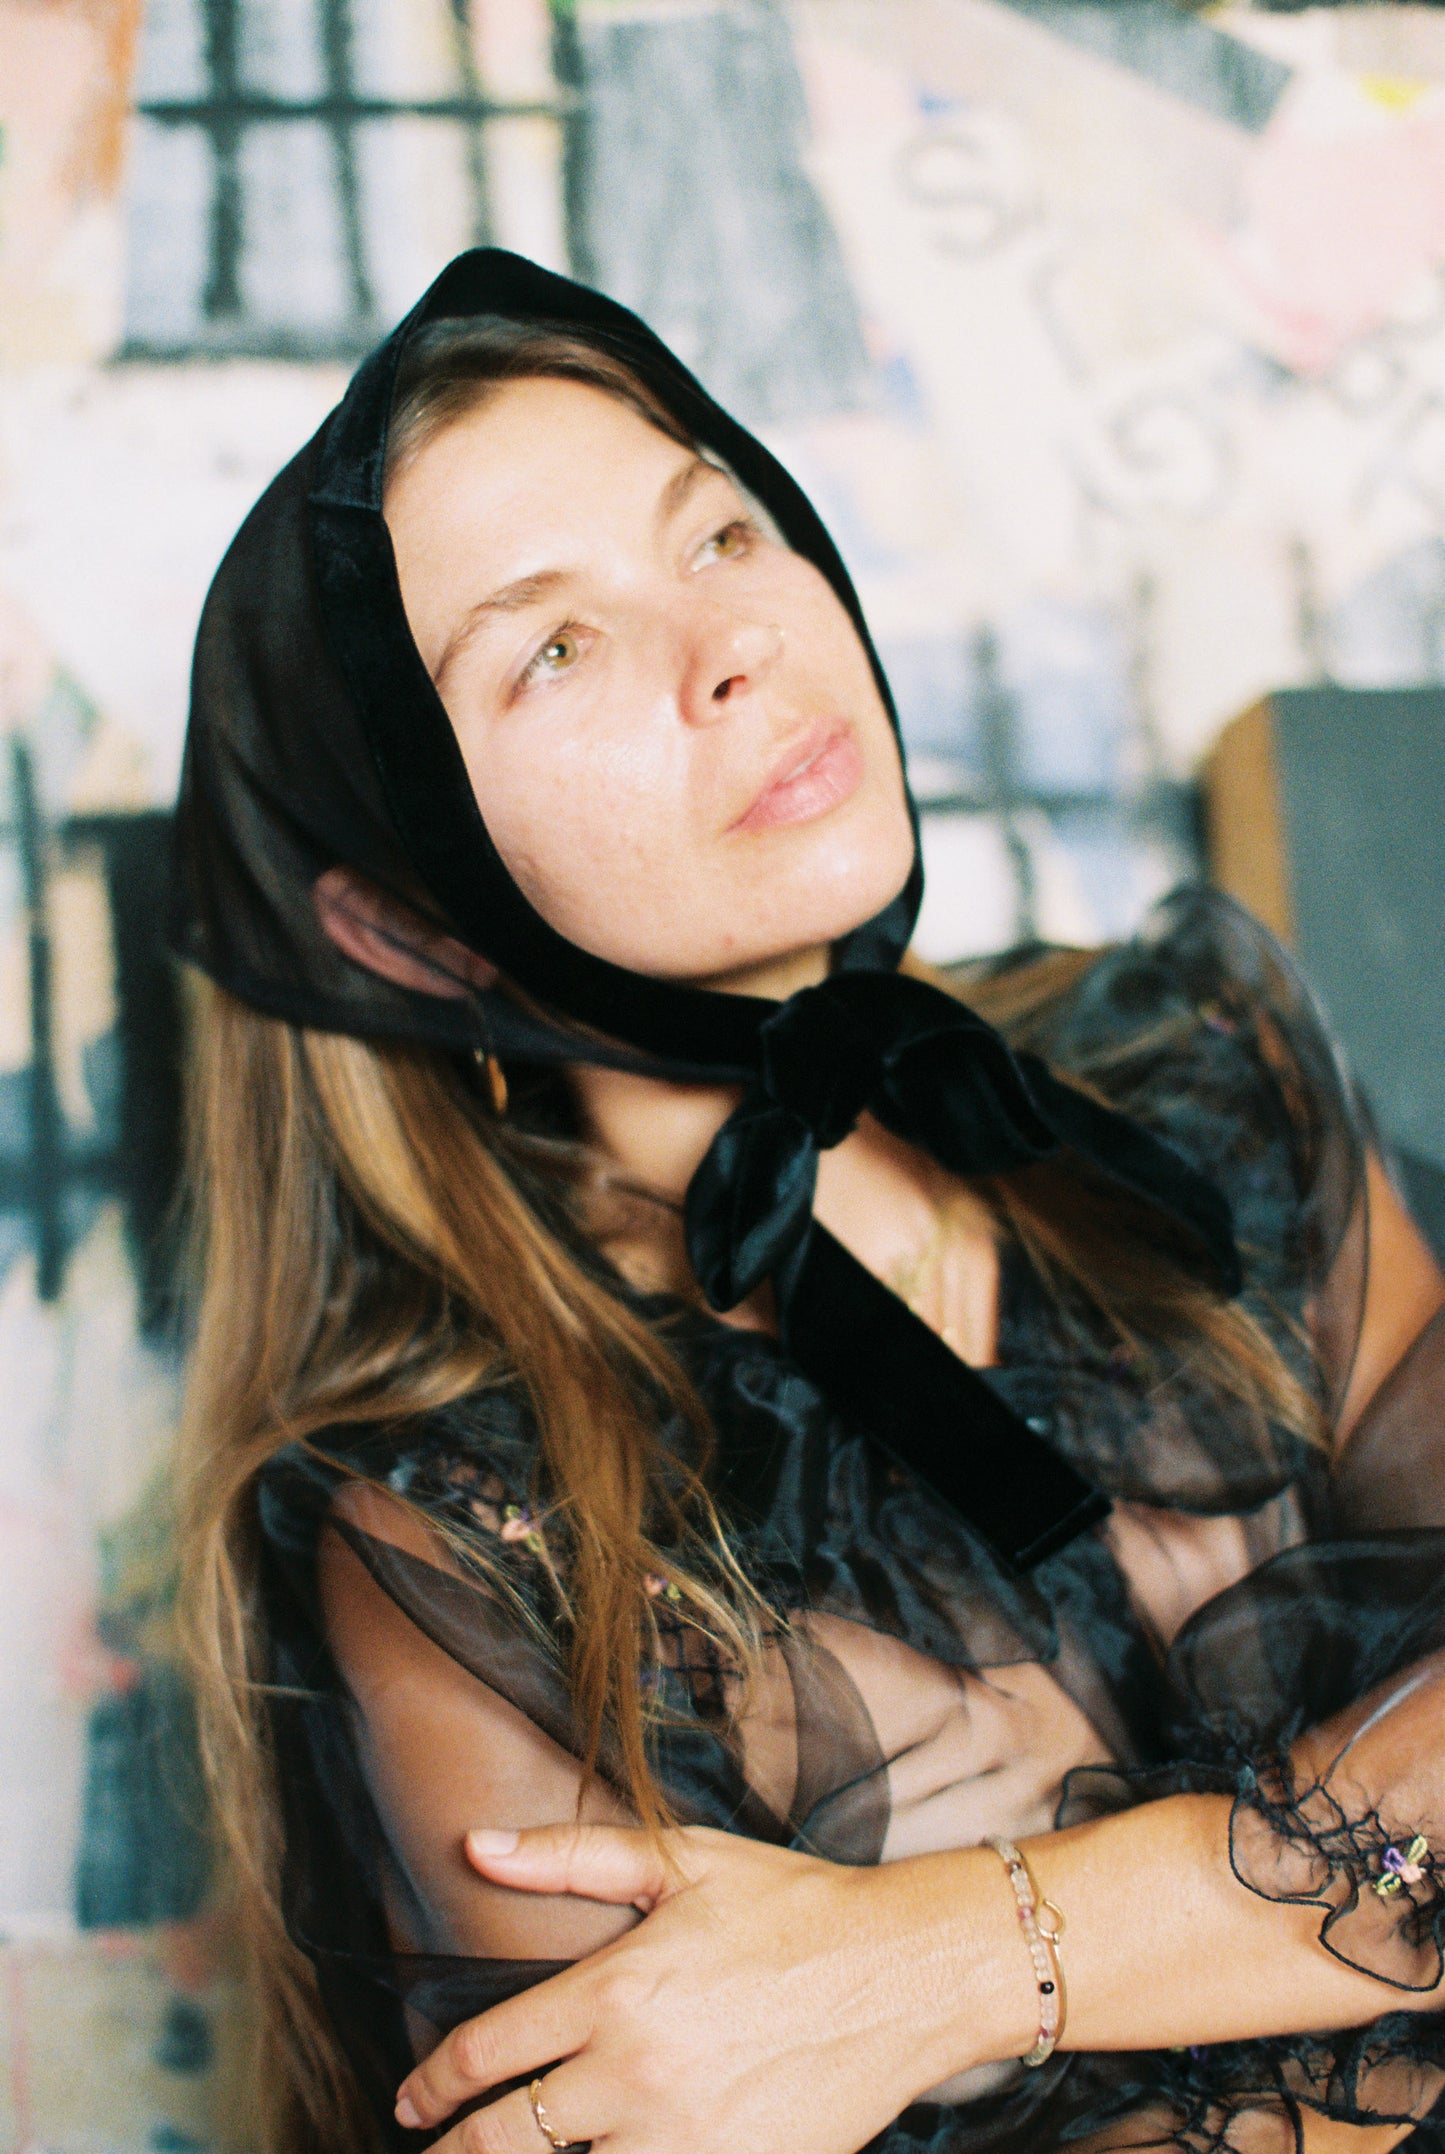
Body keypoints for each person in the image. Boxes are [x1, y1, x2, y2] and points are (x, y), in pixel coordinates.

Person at [171, 250, 1445, 2154]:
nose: (732, 642)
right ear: (407, 928)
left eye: (720, 530)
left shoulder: (1198, 1080)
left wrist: (935, 1961)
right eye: (553, 647)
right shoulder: (468, 1526)